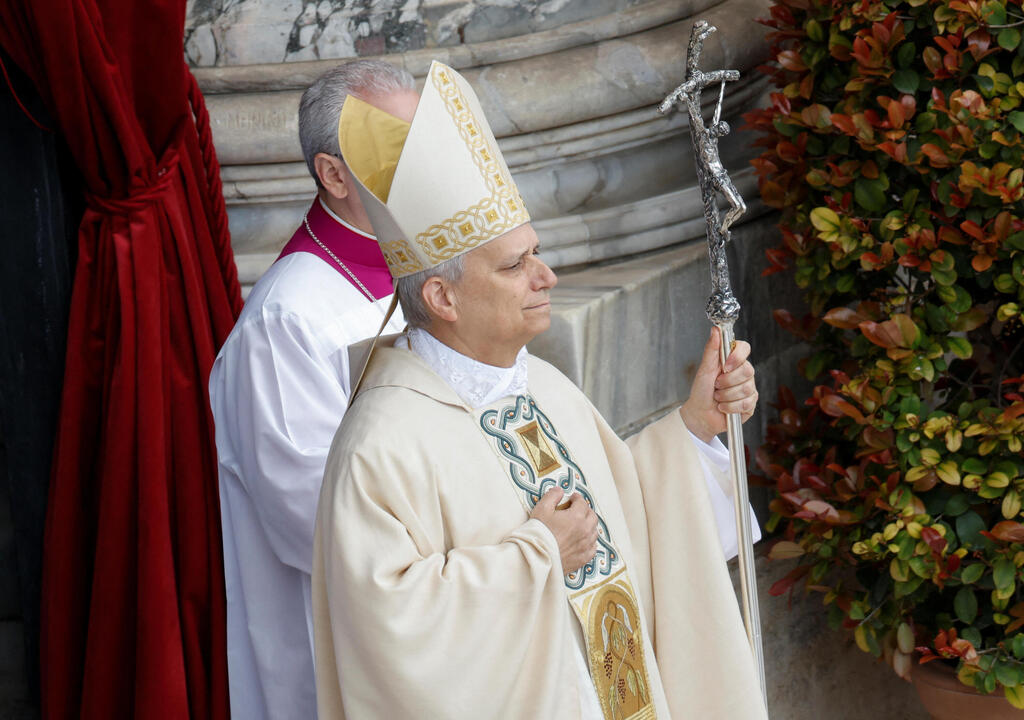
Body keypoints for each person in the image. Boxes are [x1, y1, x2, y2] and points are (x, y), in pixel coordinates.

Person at [312, 61, 768, 719]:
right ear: (441, 296)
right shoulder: (380, 447)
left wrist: (695, 427)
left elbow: (627, 515)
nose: (546, 276)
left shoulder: (544, 387)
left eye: (537, 253)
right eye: (514, 265)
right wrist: (537, 557)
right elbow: (392, 637)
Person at [207, 60, 416, 720]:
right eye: (402, 149)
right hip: (347, 647)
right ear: (333, 174)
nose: (430, 167)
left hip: (448, 605)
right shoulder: (286, 321)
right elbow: (317, 522)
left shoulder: (432, 269)